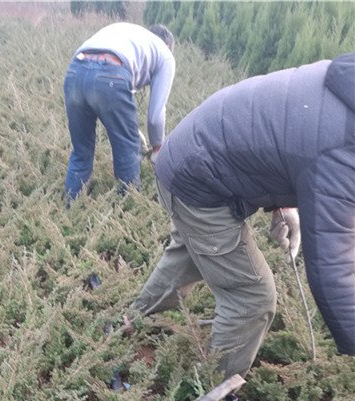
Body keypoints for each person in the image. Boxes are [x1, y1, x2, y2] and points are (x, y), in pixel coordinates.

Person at [131, 52, 355, 381]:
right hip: (196, 179)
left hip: (189, 158)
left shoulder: (343, 87)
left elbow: (278, 136)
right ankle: (212, 396)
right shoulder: (341, 148)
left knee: (191, 256)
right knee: (251, 297)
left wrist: (284, 204)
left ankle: (132, 321)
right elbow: (334, 269)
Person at [63, 21, 175, 201]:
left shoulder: (131, 35)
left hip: (75, 71)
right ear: (168, 46)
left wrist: (131, 128)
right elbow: (155, 116)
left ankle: (68, 210)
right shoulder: (166, 55)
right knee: (128, 151)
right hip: (110, 75)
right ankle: (127, 213)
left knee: (81, 152)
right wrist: (157, 148)